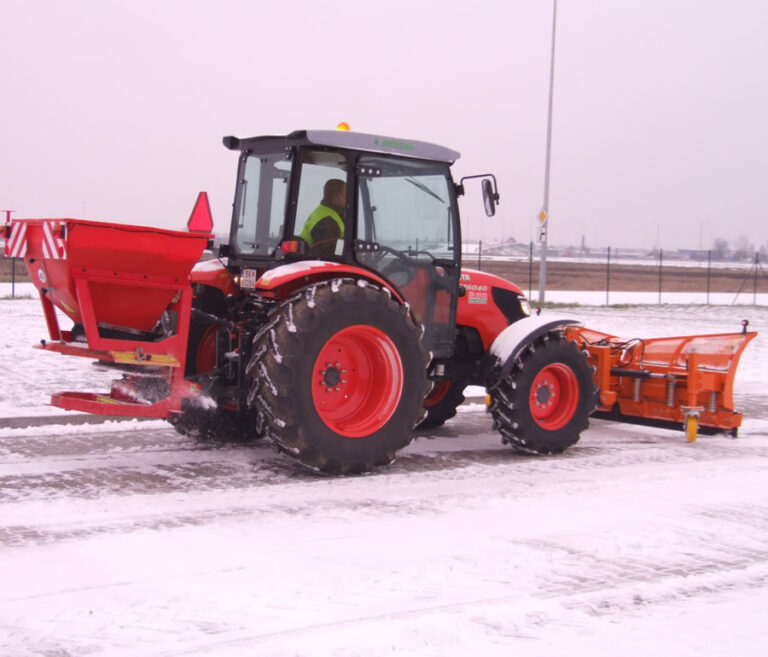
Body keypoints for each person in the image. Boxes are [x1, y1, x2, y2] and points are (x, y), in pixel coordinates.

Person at [299, 179, 346, 258]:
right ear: (338, 195)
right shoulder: (327, 220)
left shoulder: (329, 213)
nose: (349, 198)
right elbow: (328, 252)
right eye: (346, 194)